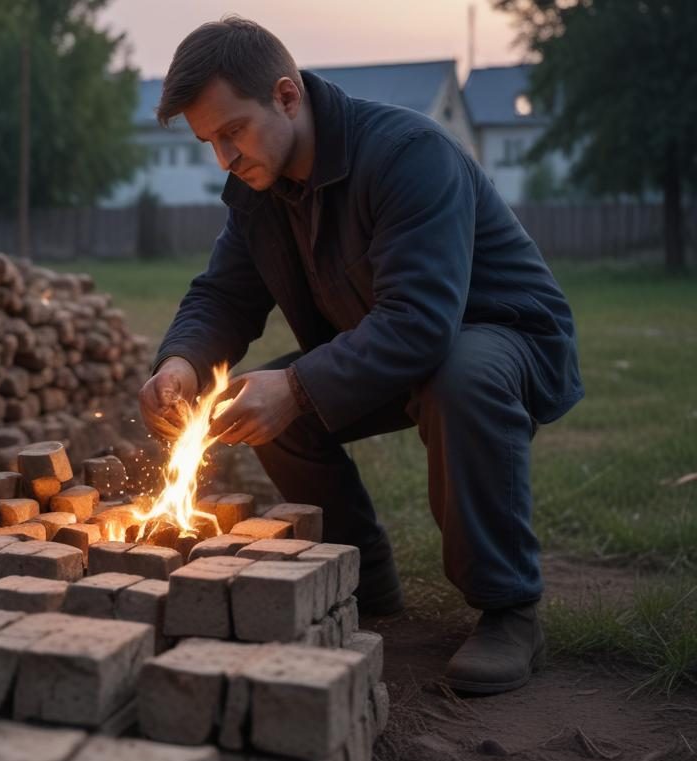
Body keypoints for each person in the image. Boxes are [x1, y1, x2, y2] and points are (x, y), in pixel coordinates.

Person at [138, 17, 584, 695]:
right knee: (257, 406)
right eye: (209, 143)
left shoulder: (408, 154)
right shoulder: (261, 191)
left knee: (455, 377)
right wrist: (182, 364)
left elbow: (423, 322)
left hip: (502, 335)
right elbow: (223, 296)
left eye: (233, 132)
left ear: (286, 96)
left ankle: (509, 610)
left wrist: (296, 385)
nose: (224, 157)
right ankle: (363, 579)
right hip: (397, 344)